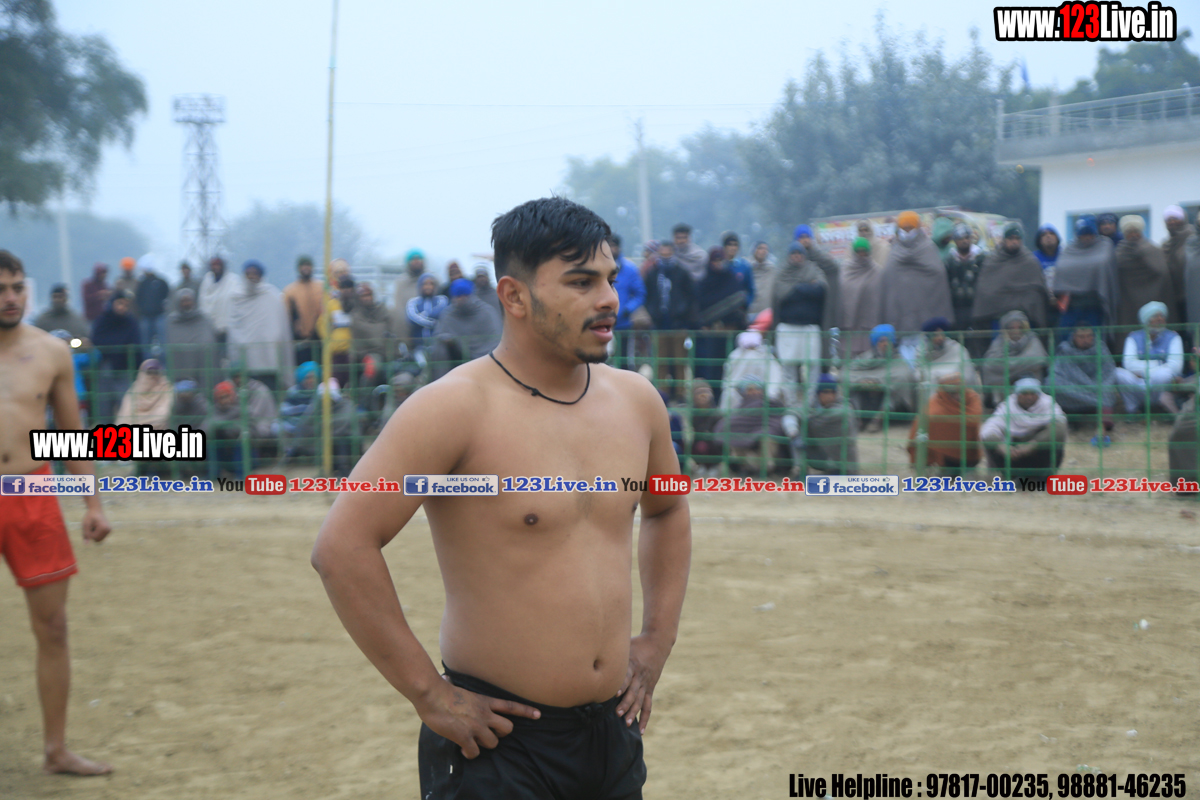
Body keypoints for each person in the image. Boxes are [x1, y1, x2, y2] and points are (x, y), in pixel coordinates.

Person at [311, 196, 690, 800]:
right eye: (581, 282)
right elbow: (342, 546)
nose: (609, 300)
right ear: (514, 296)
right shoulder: (454, 408)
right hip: (498, 745)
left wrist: (657, 639)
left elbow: (667, 509)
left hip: (611, 735)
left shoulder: (636, 401)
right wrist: (429, 694)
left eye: (610, 279)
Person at [0, 249, 113, 776]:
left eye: (17, 287)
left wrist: (93, 503)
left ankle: (56, 750)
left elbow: (72, 436)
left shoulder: (52, 352)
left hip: (32, 494)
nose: (10, 298)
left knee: (53, 627)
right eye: (0, 290)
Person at [881, 210, 954, 363]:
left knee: (927, 357)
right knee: (905, 359)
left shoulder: (928, 248)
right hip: (901, 317)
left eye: (910, 228)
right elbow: (888, 279)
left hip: (926, 317)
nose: (907, 232)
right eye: (904, 228)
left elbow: (938, 274)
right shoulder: (894, 250)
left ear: (918, 228)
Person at [1047, 324, 1137, 443]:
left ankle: (1102, 428)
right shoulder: (1065, 349)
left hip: (1097, 386)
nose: (1085, 340)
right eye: (1081, 337)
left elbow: (1109, 371)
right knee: (1051, 384)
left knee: (1106, 391)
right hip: (1074, 388)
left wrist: (1096, 387)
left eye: (1089, 336)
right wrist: (1086, 387)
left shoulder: (1100, 348)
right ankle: (1069, 420)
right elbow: (1056, 371)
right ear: (1074, 337)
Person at [971, 222, 1052, 334]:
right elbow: (986, 291)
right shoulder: (992, 262)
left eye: (1017, 238)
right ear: (1004, 240)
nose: (1014, 242)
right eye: (1011, 238)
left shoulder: (1030, 262)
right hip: (997, 318)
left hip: (1026, 320)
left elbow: (1037, 292)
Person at [227, 260, 294, 391]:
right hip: (245, 364)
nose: (252, 277)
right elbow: (233, 330)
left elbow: (281, 329)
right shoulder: (235, 298)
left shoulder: (272, 295)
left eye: (255, 273)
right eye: (249, 273)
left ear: (261, 276)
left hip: (269, 362)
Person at [980, 378, 1067, 479]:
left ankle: (1041, 478)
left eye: (1033, 393)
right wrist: (1002, 447)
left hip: (1039, 454)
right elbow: (989, 429)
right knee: (991, 442)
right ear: (1017, 395)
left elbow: (1060, 428)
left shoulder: (1047, 404)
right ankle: (1011, 476)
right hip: (1014, 454)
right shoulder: (1008, 406)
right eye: (1024, 394)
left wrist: (1030, 446)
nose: (1029, 397)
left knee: (1055, 441)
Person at [642, 240, 697, 396]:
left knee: (680, 361)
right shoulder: (653, 272)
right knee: (660, 362)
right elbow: (647, 295)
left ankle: (680, 394)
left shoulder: (682, 272)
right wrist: (653, 313)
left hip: (679, 324)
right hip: (659, 324)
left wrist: (683, 314)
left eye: (668, 252)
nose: (665, 255)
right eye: (663, 252)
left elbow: (691, 296)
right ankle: (662, 394)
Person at [771, 243, 826, 394]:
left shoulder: (813, 270)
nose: (797, 257)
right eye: (794, 254)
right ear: (789, 256)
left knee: (813, 366)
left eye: (799, 254)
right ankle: (791, 403)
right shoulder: (782, 273)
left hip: (810, 328)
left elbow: (820, 291)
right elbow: (783, 294)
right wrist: (807, 287)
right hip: (788, 328)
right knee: (788, 367)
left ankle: (810, 402)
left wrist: (797, 288)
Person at [1115, 214, 1174, 353]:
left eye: (1136, 231)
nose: (1133, 235)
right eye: (1129, 232)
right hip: (1127, 302)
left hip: (1153, 297)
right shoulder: (1119, 252)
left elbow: (1162, 272)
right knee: (1128, 331)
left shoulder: (1151, 249)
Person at [1053, 216, 1119, 335]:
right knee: (1066, 337)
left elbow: (1104, 265)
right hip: (1072, 305)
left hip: (1095, 304)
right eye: (1083, 234)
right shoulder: (1069, 248)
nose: (1087, 237)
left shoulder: (1105, 245)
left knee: (1094, 338)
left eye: (1090, 234)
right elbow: (1062, 267)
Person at [908, 372, 982, 475]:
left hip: (969, 456)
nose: (957, 396)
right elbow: (918, 431)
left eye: (959, 391)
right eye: (952, 393)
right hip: (944, 459)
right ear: (944, 392)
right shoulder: (934, 406)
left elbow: (973, 420)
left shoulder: (972, 398)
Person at [846, 324, 917, 431]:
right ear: (876, 344)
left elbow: (904, 375)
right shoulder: (865, 358)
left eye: (888, 340)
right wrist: (860, 381)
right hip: (866, 398)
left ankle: (878, 419)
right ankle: (857, 419)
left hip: (887, 401)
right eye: (881, 341)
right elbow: (846, 372)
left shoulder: (899, 361)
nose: (885, 344)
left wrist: (879, 382)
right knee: (853, 389)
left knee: (898, 384)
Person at [714, 374, 788, 477]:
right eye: (750, 390)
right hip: (745, 445)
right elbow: (730, 423)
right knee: (733, 436)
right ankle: (745, 466)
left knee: (768, 436)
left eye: (757, 389)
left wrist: (761, 432)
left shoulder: (772, 404)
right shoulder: (740, 408)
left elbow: (776, 423)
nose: (754, 392)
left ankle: (766, 467)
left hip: (765, 437)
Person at [429, 279, 502, 380]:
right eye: (458, 296)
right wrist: (451, 341)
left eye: (465, 295)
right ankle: (441, 382)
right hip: (457, 358)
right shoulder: (448, 314)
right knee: (439, 348)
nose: (461, 299)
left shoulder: (487, 312)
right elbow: (439, 335)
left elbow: (496, 340)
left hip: (485, 358)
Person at [695, 246, 747, 389]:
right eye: (715, 261)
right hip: (712, 334)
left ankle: (731, 397)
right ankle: (715, 396)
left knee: (733, 366)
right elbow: (700, 308)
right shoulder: (704, 283)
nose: (718, 264)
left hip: (731, 332)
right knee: (713, 367)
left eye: (720, 260)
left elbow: (740, 302)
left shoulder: (731, 279)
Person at [1122, 300, 1184, 413]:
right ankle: (1133, 411)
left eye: (1162, 316)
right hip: (1140, 384)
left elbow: (1175, 367)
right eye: (1155, 316)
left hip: (1159, 382)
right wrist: (1159, 364)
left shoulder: (1173, 337)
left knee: (1164, 374)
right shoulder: (1133, 337)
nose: (1160, 319)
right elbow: (1129, 364)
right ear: (1146, 320)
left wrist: (1143, 373)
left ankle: (1159, 407)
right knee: (1118, 373)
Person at [90, 290, 142, 422]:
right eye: (119, 303)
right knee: (104, 410)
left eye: (125, 305)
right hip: (105, 369)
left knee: (126, 409)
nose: (122, 307)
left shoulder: (131, 322)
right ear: (112, 303)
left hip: (124, 370)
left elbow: (136, 346)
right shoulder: (103, 321)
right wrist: (118, 346)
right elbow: (97, 340)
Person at [980, 310, 1049, 404]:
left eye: (1020, 327)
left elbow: (1038, 360)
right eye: (1011, 328)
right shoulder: (999, 342)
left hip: (1028, 380)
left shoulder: (1032, 339)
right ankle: (1001, 405)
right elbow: (989, 365)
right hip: (1005, 383)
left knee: (1035, 371)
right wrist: (1021, 366)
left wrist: (1009, 367)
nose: (1016, 331)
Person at [719, 330, 793, 412]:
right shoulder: (736, 356)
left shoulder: (736, 356)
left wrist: (770, 395)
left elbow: (775, 380)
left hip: (761, 398)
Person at [801, 374, 859, 476]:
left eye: (832, 392)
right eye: (825, 392)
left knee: (800, 432)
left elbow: (810, 422)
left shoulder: (839, 412)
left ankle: (800, 470)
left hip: (842, 468)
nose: (829, 396)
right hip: (847, 466)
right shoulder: (846, 406)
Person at [840, 236, 884, 357]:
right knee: (848, 360)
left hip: (869, 326)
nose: (861, 255)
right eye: (858, 252)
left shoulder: (877, 272)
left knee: (868, 358)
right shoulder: (845, 270)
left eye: (864, 252)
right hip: (849, 327)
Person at [164, 289, 218, 388]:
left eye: (188, 300)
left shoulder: (203, 318)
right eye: (183, 301)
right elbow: (172, 343)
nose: (186, 303)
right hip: (181, 365)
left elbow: (209, 340)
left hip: (201, 362)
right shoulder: (172, 321)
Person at [794, 224, 840, 335]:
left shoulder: (819, 255)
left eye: (807, 237)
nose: (805, 240)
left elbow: (833, 268)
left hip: (819, 303)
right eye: (802, 237)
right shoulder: (793, 258)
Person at [944, 224, 985, 347]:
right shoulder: (949, 261)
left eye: (967, 237)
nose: (964, 241)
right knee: (958, 343)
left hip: (977, 309)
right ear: (955, 241)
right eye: (960, 238)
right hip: (956, 309)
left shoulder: (981, 259)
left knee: (977, 343)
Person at [610, 235, 647, 367]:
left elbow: (640, 294)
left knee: (624, 360)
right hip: (600, 321)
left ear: (619, 248)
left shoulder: (629, 269)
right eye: (608, 246)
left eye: (614, 246)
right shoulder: (596, 267)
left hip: (622, 323)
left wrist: (627, 309)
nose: (611, 249)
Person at [914, 317, 980, 391]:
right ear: (929, 337)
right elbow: (918, 375)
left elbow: (967, 374)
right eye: (936, 335)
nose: (940, 338)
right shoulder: (922, 351)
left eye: (942, 334)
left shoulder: (957, 349)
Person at [283, 255, 325, 365]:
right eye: (303, 265)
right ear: (298, 268)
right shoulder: (290, 291)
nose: (306, 268)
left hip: (320, 340)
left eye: (308, 265)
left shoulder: (322, 287)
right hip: (300, 341)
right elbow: (286, 316)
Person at [198, 256, 243, 353]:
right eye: (213, 265)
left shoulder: (233, 280)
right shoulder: (206, 281)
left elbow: (237, 300)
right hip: (210, 329)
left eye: (218, 265)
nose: (216, 267)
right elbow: (203, 302)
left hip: (228, 328)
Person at [115, 359, 175, 429]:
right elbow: (125, 418)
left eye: (155, 372)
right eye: (149, 372)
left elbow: (163, 416)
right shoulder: (133, 391)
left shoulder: (166, 388)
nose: (152, 376)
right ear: (141, 374)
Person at [687, 378, 724, 477]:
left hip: (714, 444)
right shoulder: (692, 413)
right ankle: (701, 466)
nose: (703, 396)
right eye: (699, 393)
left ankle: (713, 467)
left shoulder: (717, 413)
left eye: (706, 392)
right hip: (697, 443)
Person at [1162, 206, 1191, 328]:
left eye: (1175, 218)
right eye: (1169, 220)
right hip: (1174, 297)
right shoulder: (1166, 245)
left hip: (1192, 294)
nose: (1172, 222)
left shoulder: (1192, 239)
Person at [391, 249, 428, 346]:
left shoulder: (430, 280)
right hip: (406, 329)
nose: (416, 261)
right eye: (413, 259)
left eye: (419, 258)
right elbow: (398, 309)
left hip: (425, 329)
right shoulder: (400, 283)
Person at [407, 273, 449, 353]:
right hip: (418, 346)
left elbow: (442, 314)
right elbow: (412, 319)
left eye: (431, 284)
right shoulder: (413, 302)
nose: (428, 286)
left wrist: (422, 315)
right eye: (425, 284)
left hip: (438, 345)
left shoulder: (442, 300)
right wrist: (434, 323)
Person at [134, 256, 170, 346]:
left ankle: (163, 356)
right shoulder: (142, 283)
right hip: (145, 317)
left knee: (162, 341)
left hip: (159, 316)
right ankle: (146, 356)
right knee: (145, 341)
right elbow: (138, 298)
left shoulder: (161, 282)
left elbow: (166, 296)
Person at [721, 232, 756, 317]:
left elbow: (750, 290)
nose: (733, 248)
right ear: (724, 247)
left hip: (739, 312)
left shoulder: (744, 266)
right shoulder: (719, 265)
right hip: (721, 311)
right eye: (730, 245)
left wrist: (745, 304)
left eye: (735, 245)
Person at [746, 241, 776, 320]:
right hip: (749, 310)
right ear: (754, 250)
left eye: (766, 249)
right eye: (760, 248)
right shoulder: (746, 267)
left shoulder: (771, 269)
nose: (763, 251)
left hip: (766, 312)